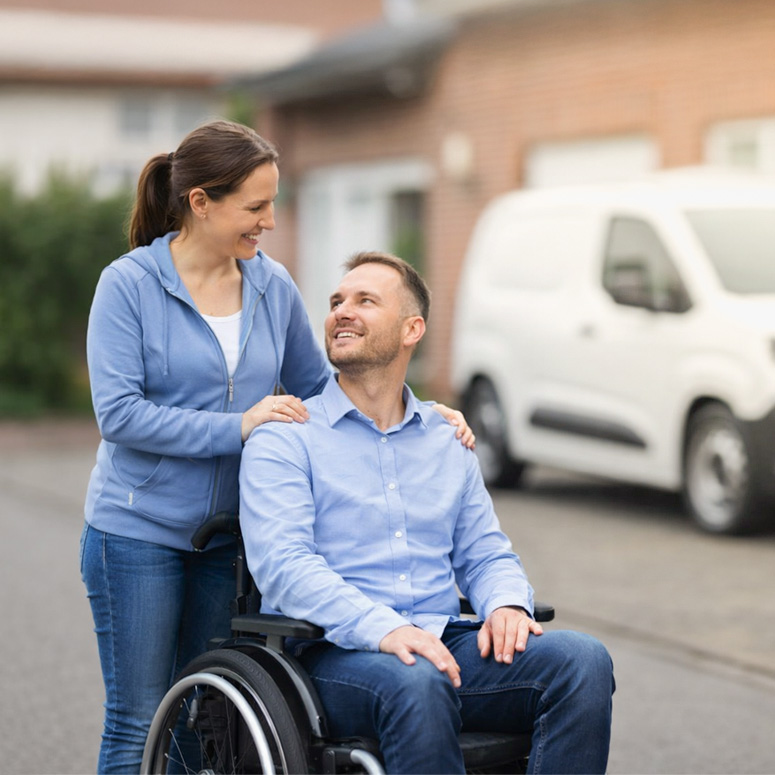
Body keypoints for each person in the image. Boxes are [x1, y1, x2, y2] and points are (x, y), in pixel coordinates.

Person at [80, 121, 472, 774]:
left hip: (228, 541)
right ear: (200, 201)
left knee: (204, 717)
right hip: (136, 531)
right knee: (139, 715)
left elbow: (324, 391)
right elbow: (119, 415)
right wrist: (238, 425)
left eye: (272, 203)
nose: (267, 220)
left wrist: (423, 414)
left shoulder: (270, 285)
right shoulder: (128, 286)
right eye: (254, 206)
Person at [239, 251, 616, 774]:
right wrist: (382, 629)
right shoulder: (286, 437)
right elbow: (284, 565)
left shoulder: (446, 438)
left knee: (581, 662)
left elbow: (484, 552)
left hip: (443, 643)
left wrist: (507, 605)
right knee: (418, 678)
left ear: (411, 328)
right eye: (335, 302)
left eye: (365, 301)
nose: (341, 311)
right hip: (338, 657)